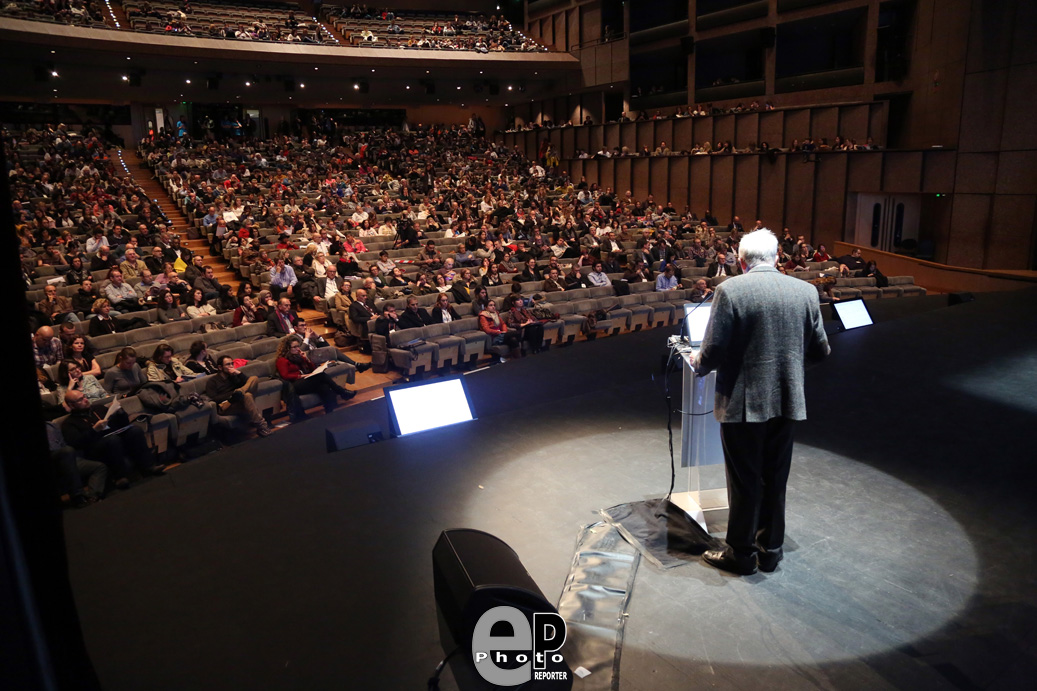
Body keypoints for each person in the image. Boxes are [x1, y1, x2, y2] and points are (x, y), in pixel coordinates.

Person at [692, 229, 830, 576]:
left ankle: (740, 554)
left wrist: (696, 362)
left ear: (741, 262)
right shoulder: (806, 291)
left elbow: (713, 350)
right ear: (777, 256)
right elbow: (821, 350)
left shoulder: (730, 290)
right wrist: (789, 372)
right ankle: (770, 550)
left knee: (745, 479)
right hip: (787, 400)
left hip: (742, 402)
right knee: (775, 476)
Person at [61, 389, 164, 488]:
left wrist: (120, 413)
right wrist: (94, 430)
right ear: (71, 405)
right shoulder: (69, 423)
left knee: (134, 431)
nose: (86, 400)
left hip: (114, 437)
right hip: (94, 448)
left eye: (84, 396)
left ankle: (148, 466)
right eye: (80, 399)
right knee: (112, 439)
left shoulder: (98, 408)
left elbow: (122, 424)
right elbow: (76, 443)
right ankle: (119, 477)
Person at [275, 335, 355, 422]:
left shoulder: (299, 357)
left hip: (306, 381)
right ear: (287, 348)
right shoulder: (282, 360)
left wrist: (307, 359)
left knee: (324, 386)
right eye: (294, 347)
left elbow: (312, 369)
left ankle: (329, 413)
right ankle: (341, 391)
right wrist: (302, 376)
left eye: (298, 346)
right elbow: (285, 376)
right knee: (321, 376)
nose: (298, 349)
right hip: (295, 384)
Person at [206, 355, 272, 437]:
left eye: (232, 364)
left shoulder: (234, 376)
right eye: (228, 364)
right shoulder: (212, 381)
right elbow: (214, 398)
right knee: (247, 395)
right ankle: (262, 426)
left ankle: (241, 391)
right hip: (227, 405)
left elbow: (248, 384)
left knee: (253, 379)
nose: (231, 366)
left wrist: (239, 373)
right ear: (220, 367)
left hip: (240, 399)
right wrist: (233, 394)